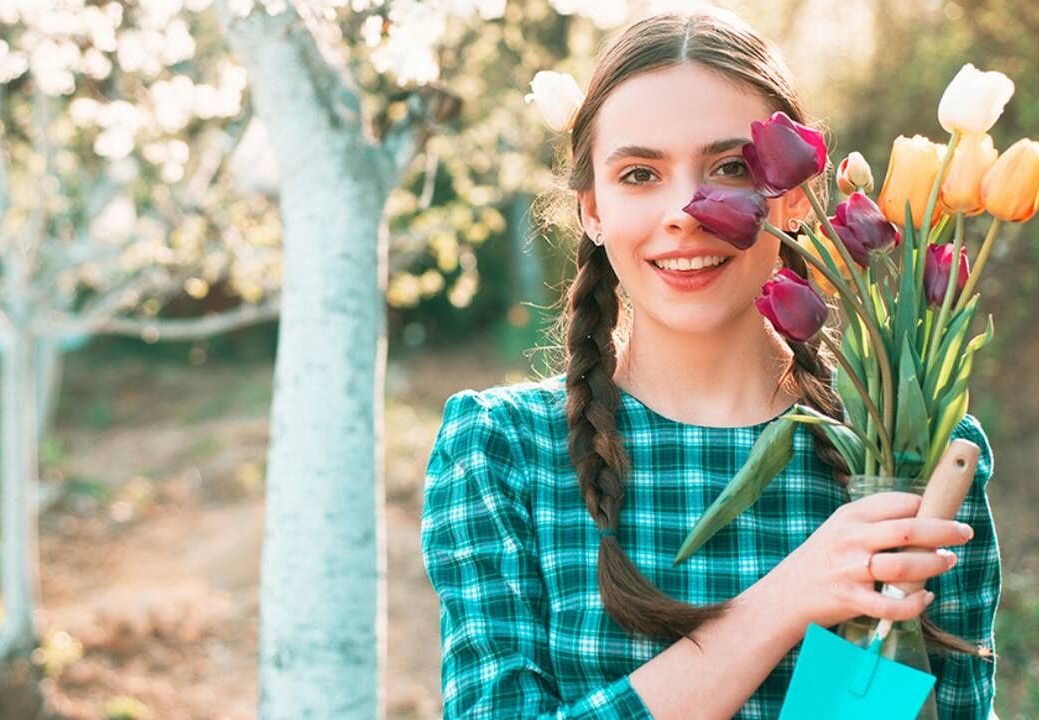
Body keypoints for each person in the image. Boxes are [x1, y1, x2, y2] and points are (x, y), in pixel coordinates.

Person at [420, 7, 1000, 719]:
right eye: (639, 173)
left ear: (791, 197)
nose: (688, 211)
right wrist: (785, 602)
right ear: (593, 209)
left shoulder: (914, 462)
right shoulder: (504, 450)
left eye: (730, 167)